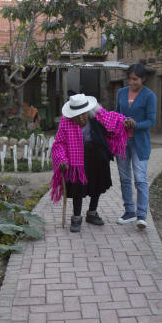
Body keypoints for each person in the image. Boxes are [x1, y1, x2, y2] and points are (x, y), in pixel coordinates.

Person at [50, 94, 128, 233]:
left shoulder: (97, 115)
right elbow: (59, 143)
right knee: (78, 188)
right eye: (77, 115)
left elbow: (114, 118)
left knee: (96, 186)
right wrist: (61, 159)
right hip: (77, 160)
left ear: (88, 111)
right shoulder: (65, 122)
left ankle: (92, 213)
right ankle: (76, 218)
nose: (81, 118)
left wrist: (126, 121)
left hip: (97, 155)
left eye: (83, 114)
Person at [115, 63, 156, 229]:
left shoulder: (149, 95)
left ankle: (141, 215)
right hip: (122, 141)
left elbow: (151, 121)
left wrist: (135, 124)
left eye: (135, 79)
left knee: (140, 179)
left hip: (140, 143)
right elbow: (117, 113)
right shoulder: (121, 93)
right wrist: (118, 121)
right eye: (129, 79)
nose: (131, 82)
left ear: (143, 79)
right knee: (125, 178)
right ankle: (129, 212)